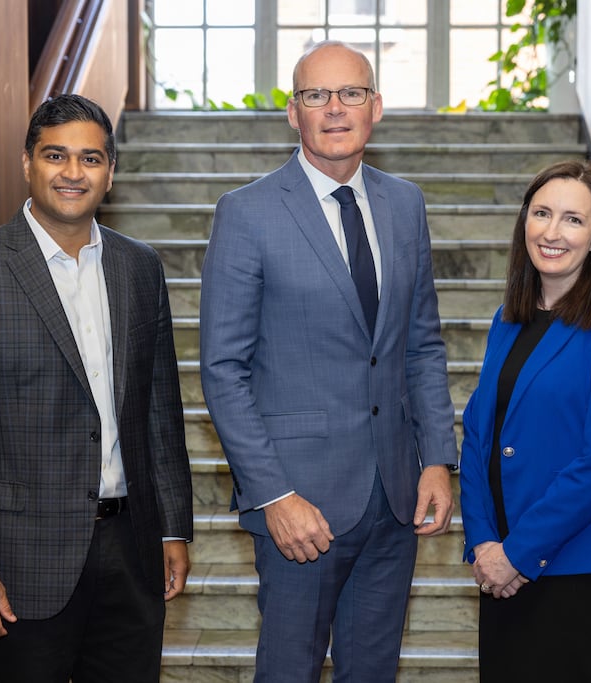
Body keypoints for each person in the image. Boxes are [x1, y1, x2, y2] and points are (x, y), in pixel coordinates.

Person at [199, 41, 458, 682]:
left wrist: (436, 458)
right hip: (299, 505)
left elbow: (422, 344)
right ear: (294, 113)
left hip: (394, 498)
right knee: (289, 670)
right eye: (316, 95)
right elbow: (224, 371)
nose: (335, 108)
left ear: (376, 107)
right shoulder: (247, 212)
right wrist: (273, 495)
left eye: (351, 93)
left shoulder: (405, 204)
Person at [0, 94, 193, 683]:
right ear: (27, 163)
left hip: (132, 549)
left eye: (90, 158)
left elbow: (160, 411)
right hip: (20, 562)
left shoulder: (140, 267)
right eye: (55, 155)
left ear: (110, 171)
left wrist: (171, 527)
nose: (73, 172)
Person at [459, 160, 591, 681]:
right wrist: (484, 542)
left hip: (576, 564)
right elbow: (478, 434)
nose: (552, 232)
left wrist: (519, 554)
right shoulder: (509, 318)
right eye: (542, 213)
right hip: (497, 562)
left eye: (573, 219)